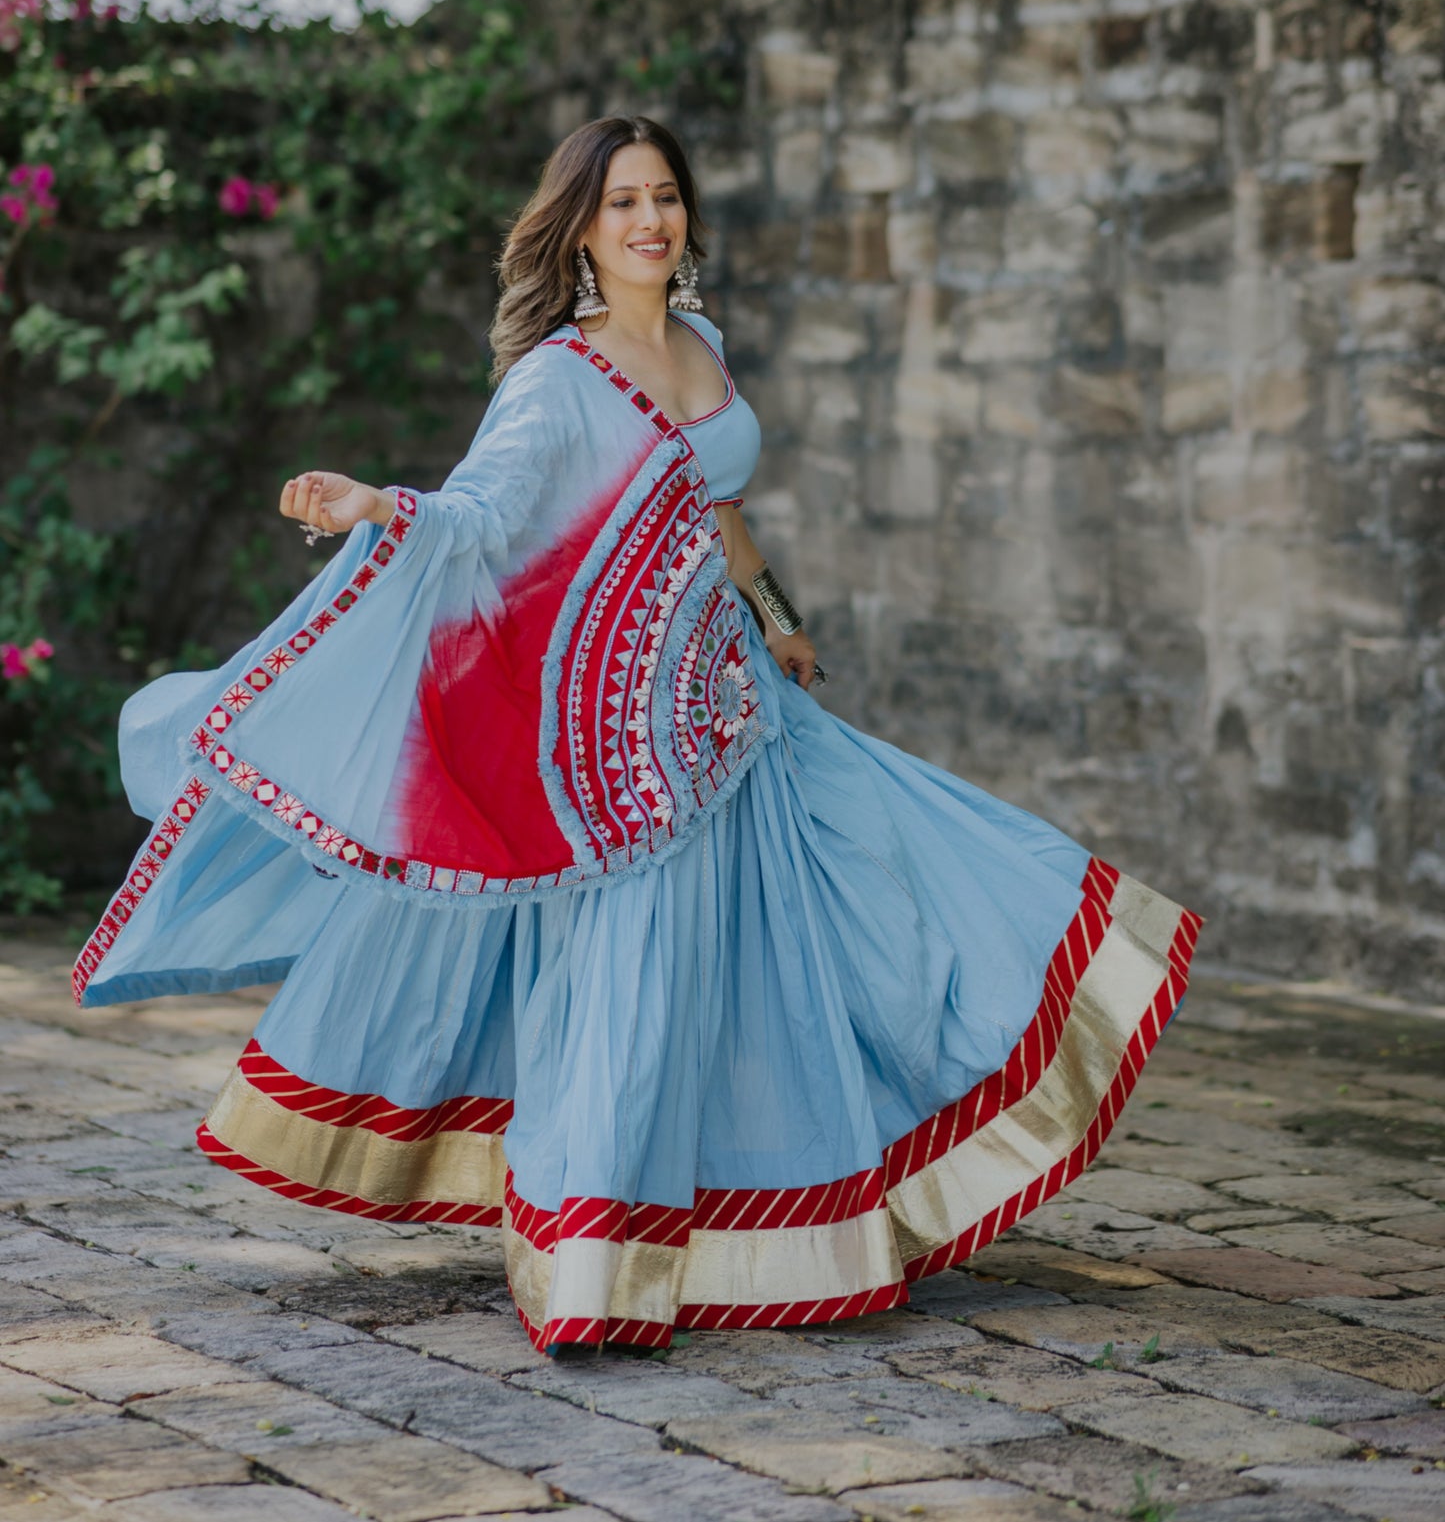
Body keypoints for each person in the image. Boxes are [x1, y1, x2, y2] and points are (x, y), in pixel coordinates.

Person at [75, 114, 1200, 1353]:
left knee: (882, 905)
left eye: (663, 197)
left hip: (739, 720)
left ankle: (784, 1223)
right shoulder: (558, 380)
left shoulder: (701, 344)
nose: (649, 221)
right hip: (622, 769)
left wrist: (780, 622)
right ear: (580, 230)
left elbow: (720, 510)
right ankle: (600, 1266)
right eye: (621, 204)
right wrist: (374, 507)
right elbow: (487, 513)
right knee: (636, 989)